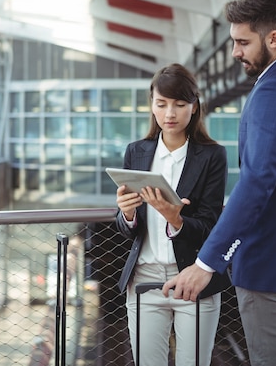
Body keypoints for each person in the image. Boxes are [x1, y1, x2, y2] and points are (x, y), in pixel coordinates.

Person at [162, 0, 276, 366]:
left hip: (268, 260)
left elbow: (259, 182)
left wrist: (207, 262)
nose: (235, 52)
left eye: (243, 42)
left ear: (273, 38)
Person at [114, 63, 231, 366]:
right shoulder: (136, 152)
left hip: (193, 279)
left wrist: (175, 218)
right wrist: (127, 215)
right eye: (161, 104)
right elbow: (129, 229)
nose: (170, 113)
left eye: (180, 104)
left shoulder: (212, 156)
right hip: (144, 278)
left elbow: (210, 226)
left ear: (194, 107)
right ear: (151, 105)